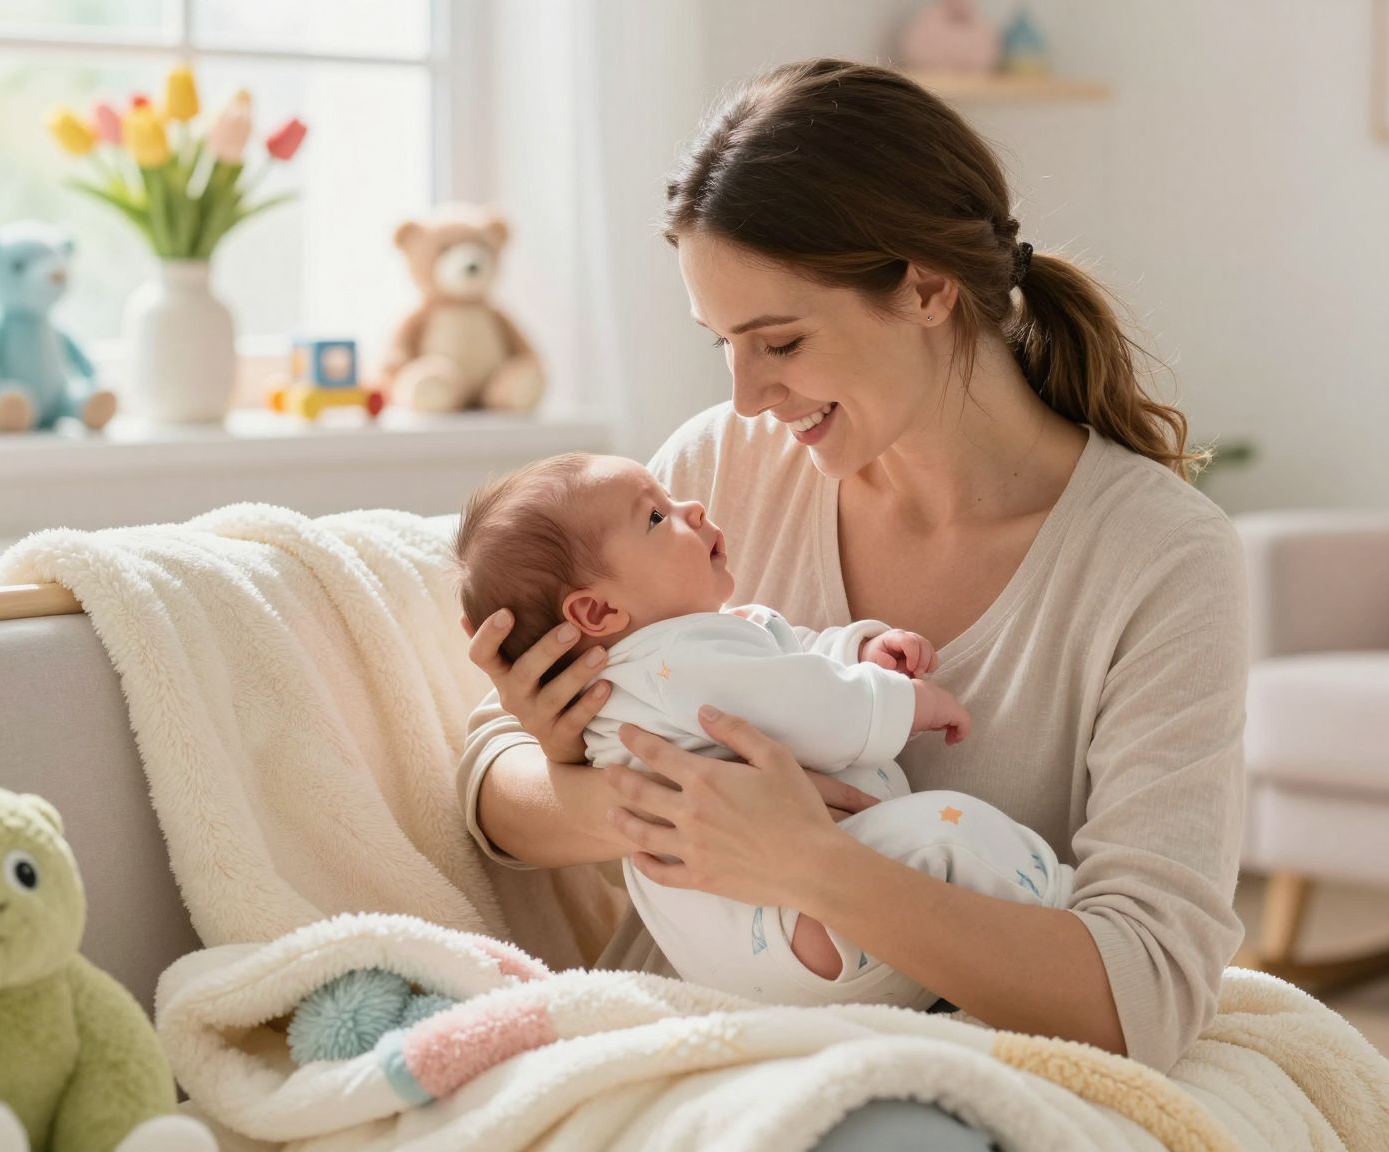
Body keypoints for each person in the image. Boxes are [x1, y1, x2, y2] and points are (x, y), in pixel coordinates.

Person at [458, 58, 1247, 1147]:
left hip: (942, 1073)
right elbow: (486, 793)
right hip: (672, 1050)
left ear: (926, 289)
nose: (745, 395)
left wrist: (812, 868)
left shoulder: (1156, 561)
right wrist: (605, 783)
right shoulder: (713, 473)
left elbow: (1143, 992)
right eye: (723, 346)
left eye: (778, 342)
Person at [452, 450, 1071, 1009]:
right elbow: (804, 702)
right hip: (801, 928)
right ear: (597, 611)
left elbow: (783, 660)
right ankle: (1071, 906)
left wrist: (858, 650)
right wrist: (903, 704)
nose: (690, 506)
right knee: (953, 835)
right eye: (656, 517)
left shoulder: (672, 660)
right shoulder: (676, 658)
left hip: (753, 956)